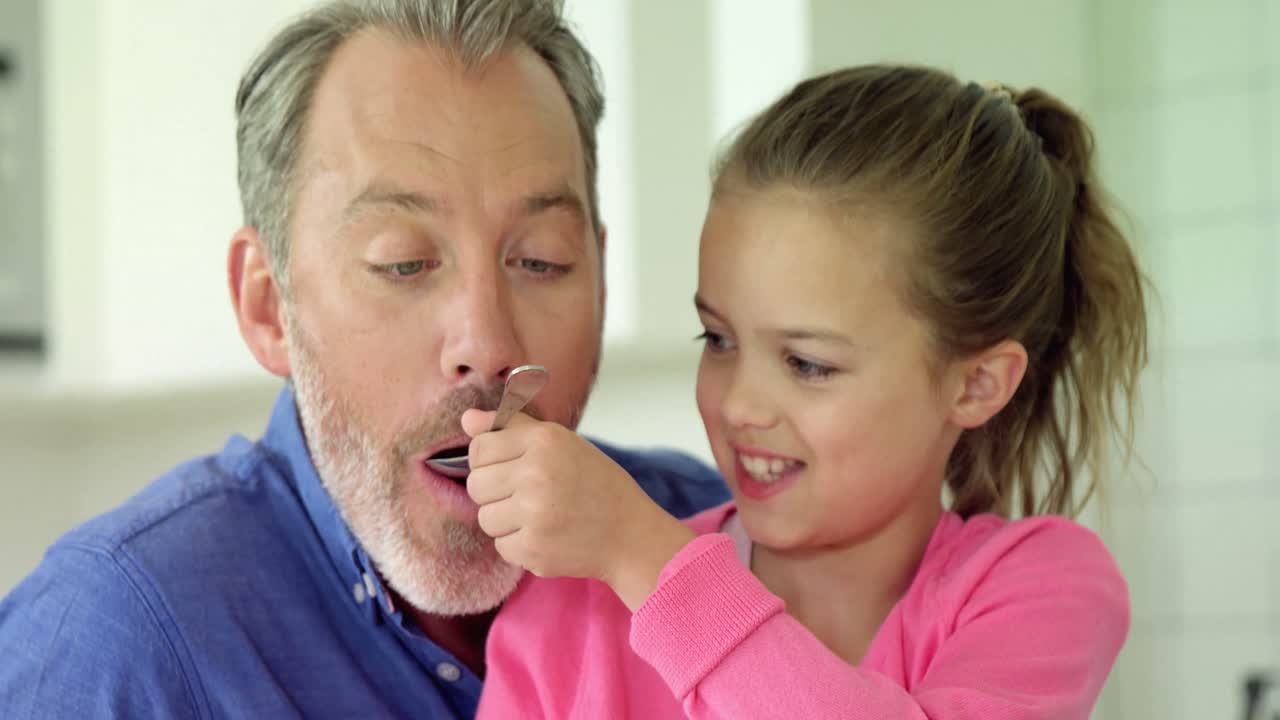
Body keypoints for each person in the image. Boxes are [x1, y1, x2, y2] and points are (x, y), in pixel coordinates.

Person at [0, 1, 727, 717]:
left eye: (540, 260)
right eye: (405, 263)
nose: (488, 344)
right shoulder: (111, 642)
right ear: (267, 305)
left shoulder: (718, 541)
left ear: (601, 273)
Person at [470, 64, 1149, 719]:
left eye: (807, 364)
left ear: (976, 384)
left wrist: (644, 556)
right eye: (719, 340)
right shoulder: (572, 610)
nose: (739, 404)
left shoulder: (1042, 591)